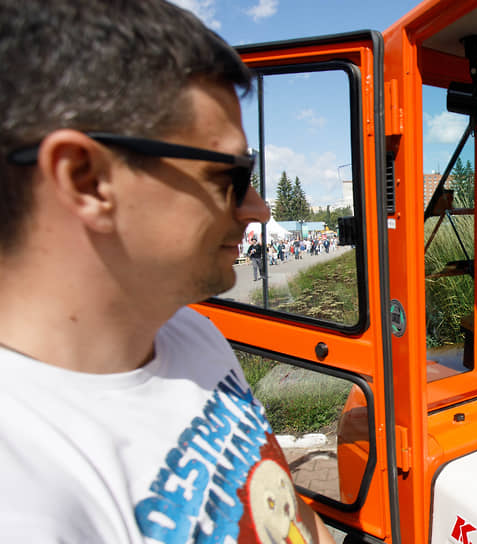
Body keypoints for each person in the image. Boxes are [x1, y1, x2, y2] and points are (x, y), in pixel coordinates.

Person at [0, 2, 335, 542]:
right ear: (86, 180)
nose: (258, 209)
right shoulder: (25, 496)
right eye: (231, 175)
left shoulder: (190, 335)